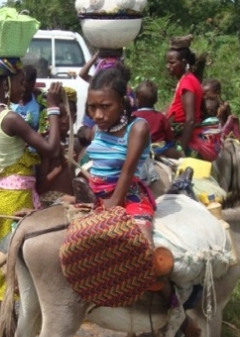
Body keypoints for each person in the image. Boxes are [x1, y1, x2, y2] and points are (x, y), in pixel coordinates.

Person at [0, 58, 62, 303]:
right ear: (5, 83)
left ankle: (7, 330)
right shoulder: (10, 118)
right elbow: (53, 149)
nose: (23, 88)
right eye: (20, 82)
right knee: (22, 267)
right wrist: (53, 108)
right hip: (16, 204)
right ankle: (18, 331)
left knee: (4, 262)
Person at [85, 67, 155, 247]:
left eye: (106, 106)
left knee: (143, 248)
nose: (98, 115)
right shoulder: (96, 130)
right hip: (95, 196)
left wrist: (111, 208)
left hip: (127, 197)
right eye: (92, 107)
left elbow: (127, 172)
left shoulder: (137, 128)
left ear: (123, 103)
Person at [165, 36, 218, 161]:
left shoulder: (187, 83)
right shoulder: (187, 80)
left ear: (184, 62)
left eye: (172, 63)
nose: (168, 66)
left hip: (186, 137)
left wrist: (181, 150)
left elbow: (190, 120)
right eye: (167, 62)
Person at [133, 81, 183, 159]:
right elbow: (170, 137)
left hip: (138, 150)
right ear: (156, 100)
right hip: (160, 150)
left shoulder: (133, 116)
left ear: (137, 100)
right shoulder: (161, 117)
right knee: (180, 155)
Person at [11, 65, 41, 130]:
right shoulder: (10, 98)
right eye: (22, 87)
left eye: (27, 91)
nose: (23, 91)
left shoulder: (39, 99)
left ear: (33, 84)